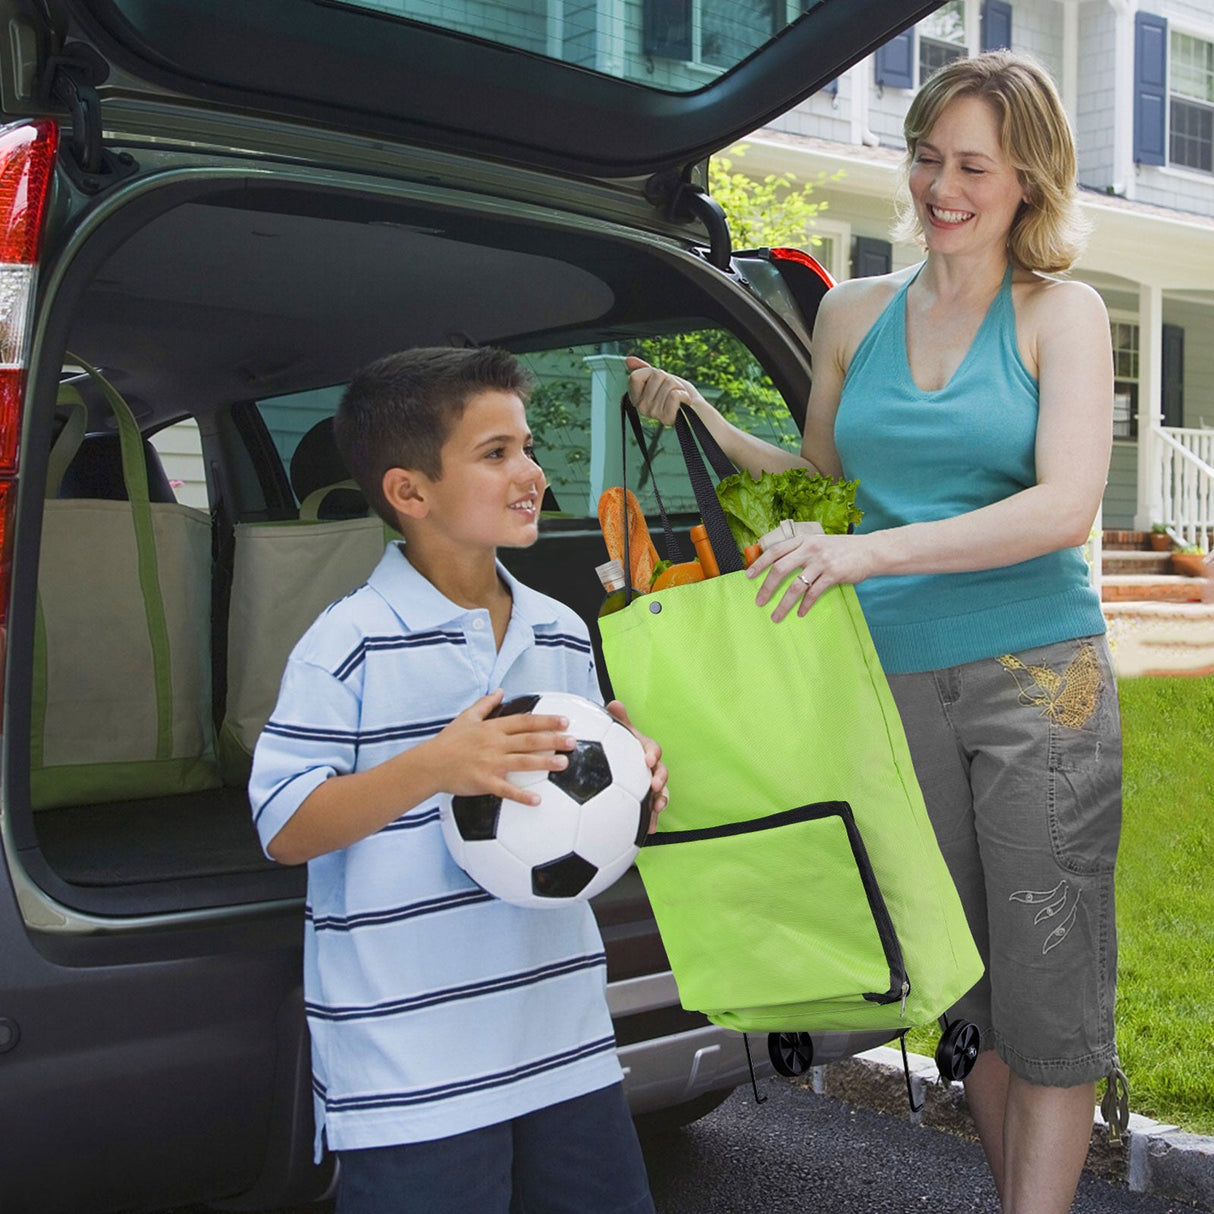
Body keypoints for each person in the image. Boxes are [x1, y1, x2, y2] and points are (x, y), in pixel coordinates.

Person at [627, 51, 1122, 1214]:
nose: (939, 186)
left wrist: (872, 552)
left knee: (1047, 994)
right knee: (968, 988)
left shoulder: (1063, 313)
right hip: (888, 686)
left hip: (1034, 680)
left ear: (1024, 181)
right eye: (923, 156)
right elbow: (822, 490)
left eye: (970, 166)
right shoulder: (854, 312)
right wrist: (703, 416)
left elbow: (1063, 505)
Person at [249, 346, 667, 1214]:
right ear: (410, 492)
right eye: (496, 453)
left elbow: (576, 812)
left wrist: (634, 790)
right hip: (412, 1069)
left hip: (561, 1041)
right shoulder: (349, 641)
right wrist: (435, 766)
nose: (532, 472)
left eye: (527, 445)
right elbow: (285, 827)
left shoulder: (557, 627)